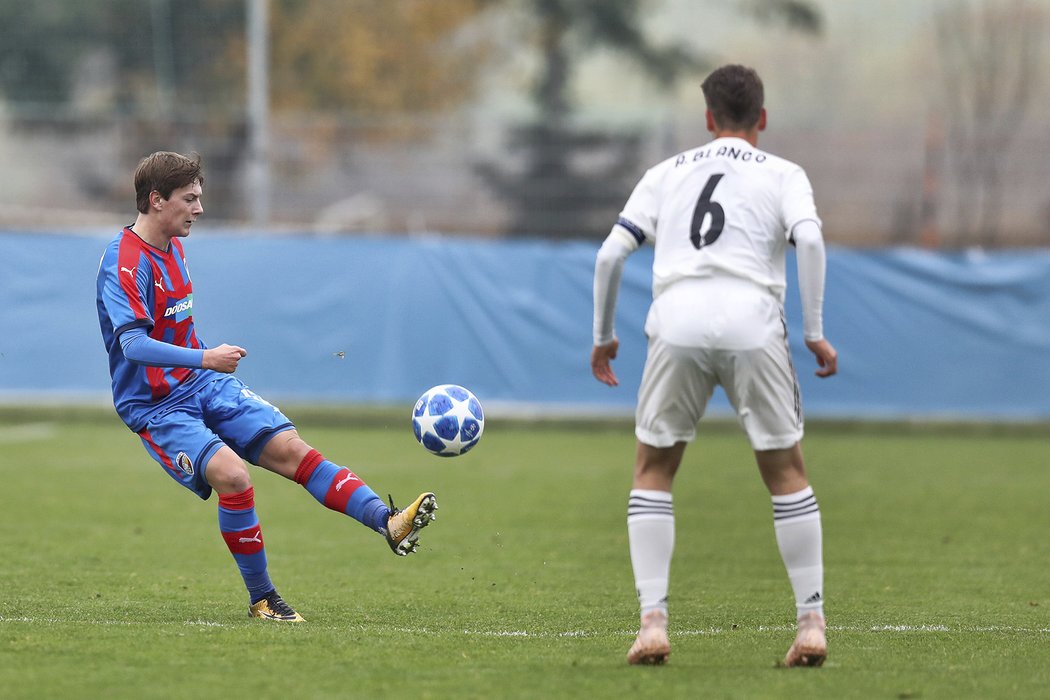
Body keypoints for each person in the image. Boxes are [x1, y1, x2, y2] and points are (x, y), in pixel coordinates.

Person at [95, 151, 437, 622]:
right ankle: (263, 599)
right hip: (156, 406)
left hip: (201, 383)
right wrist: (207, 356)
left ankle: (388, 521)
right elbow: (132, 344)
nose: (199, 209)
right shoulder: (124, 262)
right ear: (156, 200)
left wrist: (202, 364)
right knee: (234, 477)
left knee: (293, 450)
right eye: (190, 199)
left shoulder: (173, 243)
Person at [591, 65, 837, 667]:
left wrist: (603, 337)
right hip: (753, 319)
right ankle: (810, 624)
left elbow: (609, 254)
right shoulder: (784, 174)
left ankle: (653, 624)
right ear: (762, 117)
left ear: (707, 119)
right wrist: (814, 332)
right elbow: (810, 241)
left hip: (676, 318)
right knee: (786, 471)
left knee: (653, 468)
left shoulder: (665, 173)